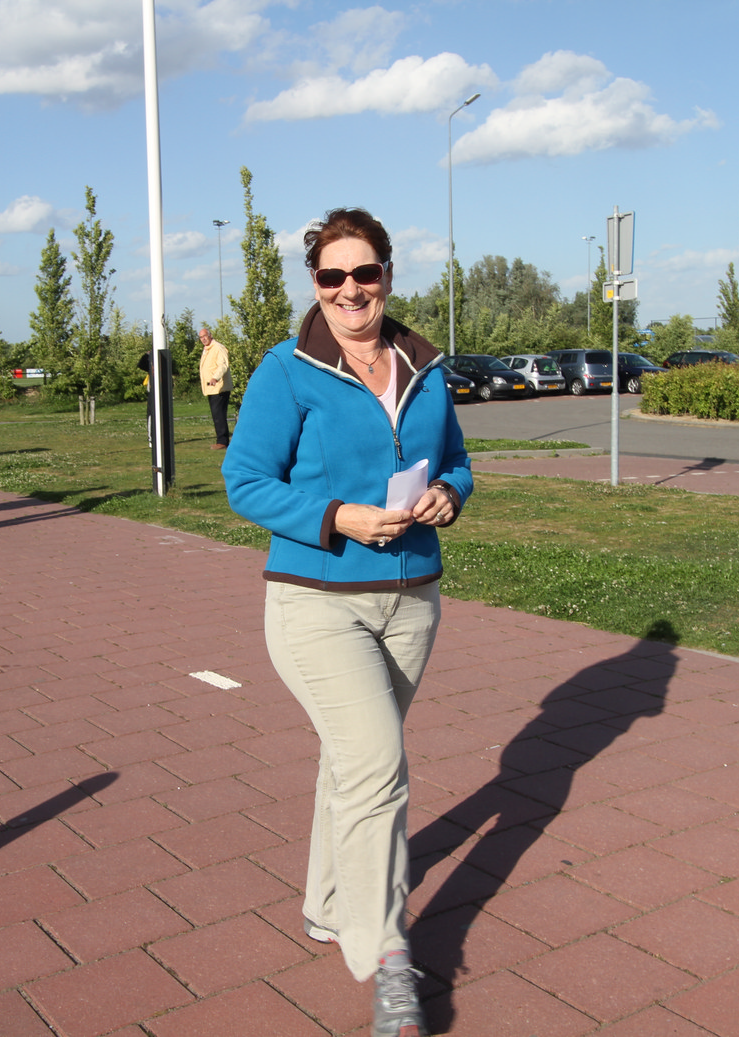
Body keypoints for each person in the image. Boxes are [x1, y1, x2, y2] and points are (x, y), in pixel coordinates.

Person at [222, 208, 472, 1037]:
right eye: (331, 276)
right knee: (376, 765)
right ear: (315, 283)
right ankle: (386, 956)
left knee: (353, 762)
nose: (349, 290)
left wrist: (450, 494)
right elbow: (245, 481)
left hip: (412, 600)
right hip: (316, 601)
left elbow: (457, 459)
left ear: (387, 275)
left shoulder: (424, 366)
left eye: (363, 272)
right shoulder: (285, 370)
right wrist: (338, 516)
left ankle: (328, 903)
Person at [198, 326, 231, 448]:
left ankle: (222, 442)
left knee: (219, 415)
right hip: (212, 389)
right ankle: (221, 440)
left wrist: (215, 378)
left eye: (205, 336)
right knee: (216, 415)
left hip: (219, 387)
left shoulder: (218, 348)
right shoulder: (207, 350)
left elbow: (223, 365)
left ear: (210, 335)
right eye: (201, 337)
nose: (203, 339)